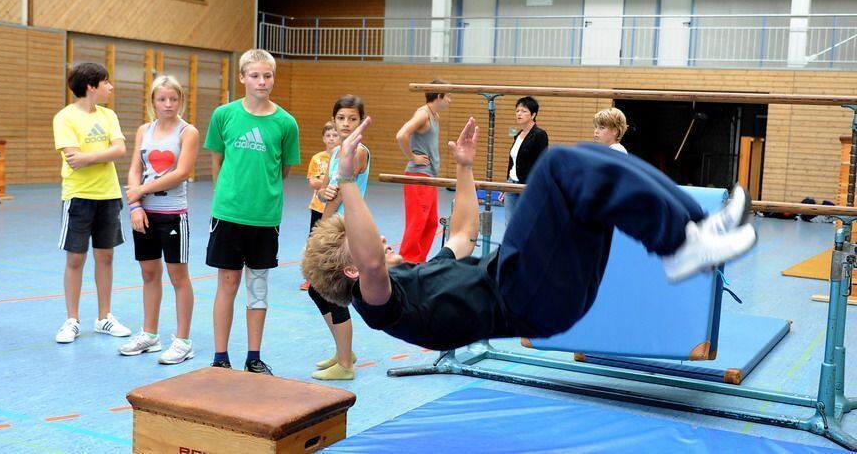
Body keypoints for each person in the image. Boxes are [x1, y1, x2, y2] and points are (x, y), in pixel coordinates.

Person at [301, 117, 756, 351]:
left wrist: (463, 166)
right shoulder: (380, 306)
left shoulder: (416, 280)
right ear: (350, 268)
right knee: (558, 166)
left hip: (547, 295)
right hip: (523, 295)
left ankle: (695, 226)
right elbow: (374, 262)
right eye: (362, 246)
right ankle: (682, 244)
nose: (380, 240)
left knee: (589, 173)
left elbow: (462, 232)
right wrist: (344, 179)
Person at [204, 49, 300, 375]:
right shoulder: (224, 115)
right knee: (227, 284)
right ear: (242, 77)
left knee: (258, 286)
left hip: (265, 217)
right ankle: (220, 357)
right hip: (228, 215)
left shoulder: (286, 123)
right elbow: (216, 160)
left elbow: (283, 168)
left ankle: (253, 356)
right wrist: (228, 194)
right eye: (255, 75)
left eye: (267, 75)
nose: (262, 81)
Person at [118, 75, 200, 365]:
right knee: (149, 275)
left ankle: (183, 341)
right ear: (152, 101)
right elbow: (134, 169)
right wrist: (135, 205)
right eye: (162, 99)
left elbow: (181, 172)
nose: (168, 104)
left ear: (181, 100)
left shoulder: (187, 132)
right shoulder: (144, 130)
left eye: (173, 99)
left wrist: (140, 189)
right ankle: (150, 334)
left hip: (173, 215)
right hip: (145, 215)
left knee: (179, 277)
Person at [53, 62, 131, 344]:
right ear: (91, 86)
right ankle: (72, 319)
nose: (111, 87)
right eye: (106, 82)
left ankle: (104, 317)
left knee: (105, 256)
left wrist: (88, 157)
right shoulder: (64, 118)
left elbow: (120, 149)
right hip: (78, 197)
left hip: (108, 195)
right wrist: (101, 153)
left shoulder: (109, 115)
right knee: (75, 258)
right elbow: (72, 159)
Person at [307, 95, 371, 381]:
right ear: (334, 120)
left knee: (334, 295)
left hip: (345, 229)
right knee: (316, 289)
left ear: (360, 122)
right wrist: (322, 194)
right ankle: (343, 350)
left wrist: (320, 230)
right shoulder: (335, 152)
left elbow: (342, 192)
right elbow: (326, 193)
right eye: (341, 118)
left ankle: (345, 364)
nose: (346, 124)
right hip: (332, 225)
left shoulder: (357, 152)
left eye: (352, 119)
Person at [396, 79, 451, 263]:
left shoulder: (435, 116)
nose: (450, 100)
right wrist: (412, 157)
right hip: (418, 176)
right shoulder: (423, 114)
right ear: (438, 96)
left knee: (431, 223)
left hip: (430, 177)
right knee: (417, 223)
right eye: (448, 96)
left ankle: (417, 261)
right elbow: (401, 135)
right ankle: (405, 263)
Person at [300, 121, 339, 292]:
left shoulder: (342, 157)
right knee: (314, 241)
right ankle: (310, 277)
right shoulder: (318, 158)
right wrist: (326, 185)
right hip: (318, 207)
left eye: (334, 135)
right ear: (323, 138)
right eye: (328, 135)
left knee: (334, 243)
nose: (331, 138)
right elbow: (313, 181)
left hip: (337, 209)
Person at [503, 96, 547, 224]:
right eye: (517, 111)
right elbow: (513, 162)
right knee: (510, 223)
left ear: (533, 114)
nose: (519, 114)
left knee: (526, 223)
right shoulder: (518, 135)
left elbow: (541, 162)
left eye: (523, 111)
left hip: (527, 185)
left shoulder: (540, 135)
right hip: (511, 183)